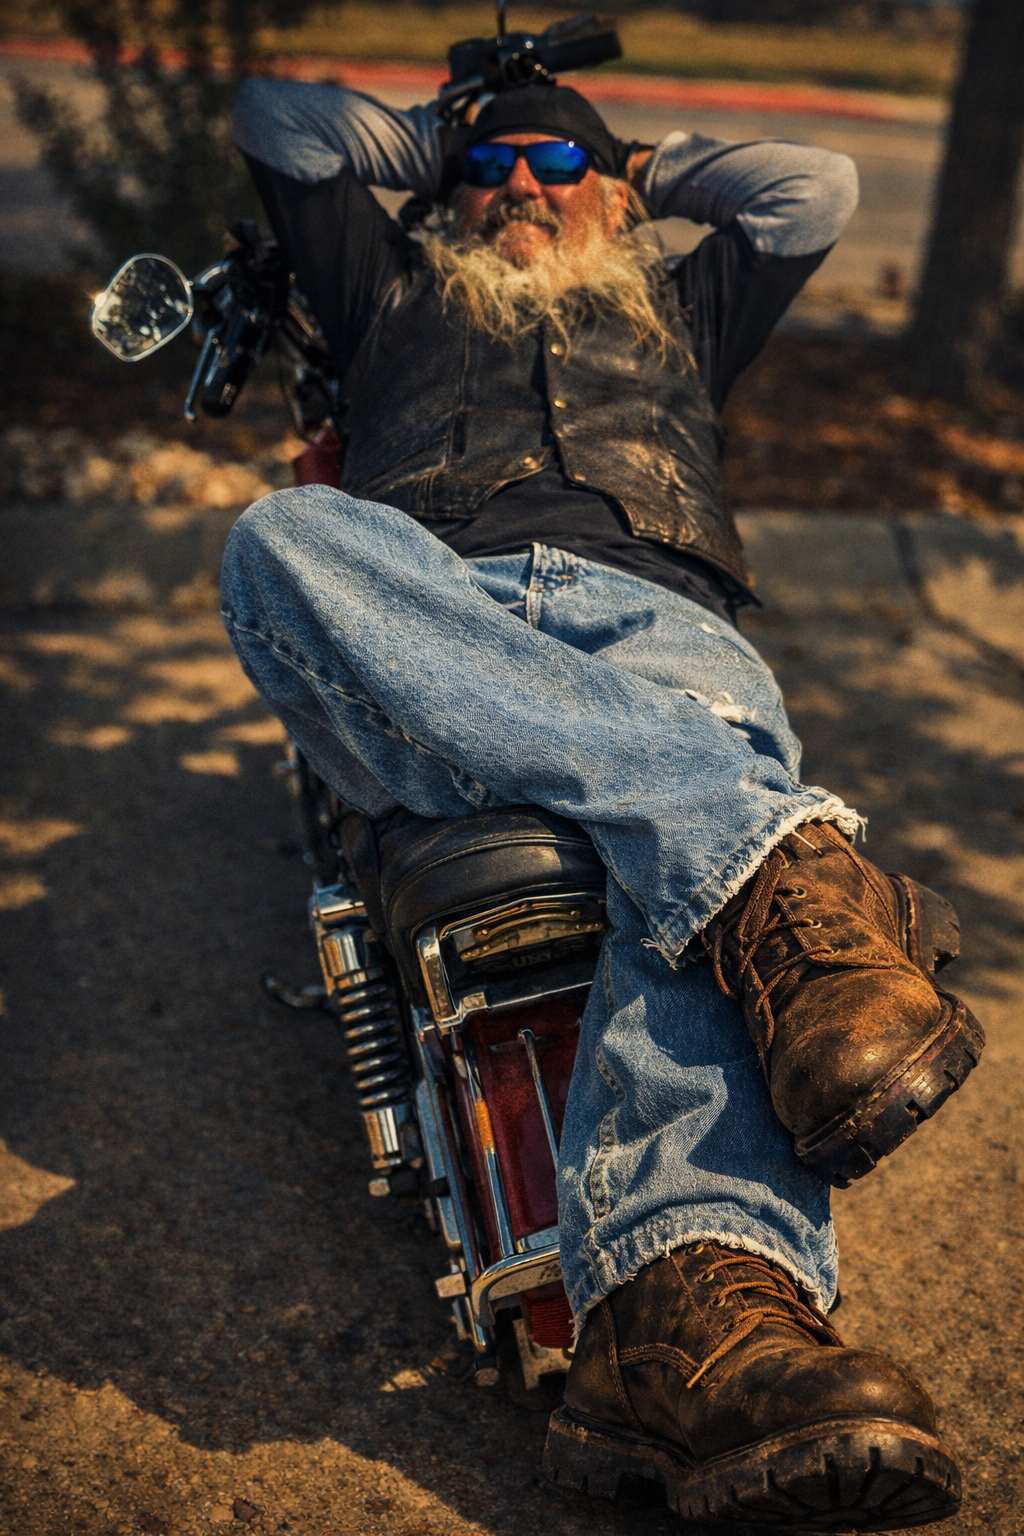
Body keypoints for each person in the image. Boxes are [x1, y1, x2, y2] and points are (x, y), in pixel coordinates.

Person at [222, 77, 982, 1526]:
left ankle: (699, 1328)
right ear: (447, 196)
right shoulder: (391, 293)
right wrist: (457, 143)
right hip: (429, 619)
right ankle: (778, 874)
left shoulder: (675, 316)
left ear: (617, 195)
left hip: (657, 622)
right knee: (277, 544)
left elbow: (809, 182)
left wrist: (629, 155)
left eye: (555, 161)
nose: (523, 185)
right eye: (492, 169)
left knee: (671, 812)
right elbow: (283, 125)